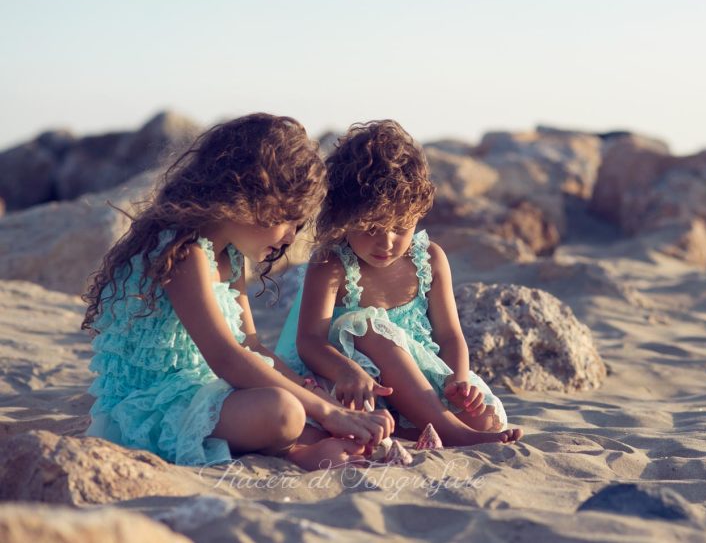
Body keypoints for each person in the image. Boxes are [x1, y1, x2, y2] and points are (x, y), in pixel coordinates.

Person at [82, 113, 394, 470]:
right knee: (285, 411)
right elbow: (227, 357)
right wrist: (323, 411)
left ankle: (307, 448)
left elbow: (252, 346)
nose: (292, 237)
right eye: (287, 220)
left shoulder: (228, 253)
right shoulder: (183, 253)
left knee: (309, 406)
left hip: (208, 391)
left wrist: (326, 404)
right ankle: (297, 451)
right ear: (247, 197)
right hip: (152, 407)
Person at [275, 120, 523, 446]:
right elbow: (309, 341)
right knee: (367, 326)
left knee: (486, 418)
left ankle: (428, 425)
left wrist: (457, 381)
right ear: (344, 218)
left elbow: (450, 336)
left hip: (418, 381)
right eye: (372, 228)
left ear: (418, 214)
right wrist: (347, 372)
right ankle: (447, 431)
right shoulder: (332, 266)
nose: (387, 242)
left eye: (400, 227)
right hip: (354, 379)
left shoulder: (429, 260)